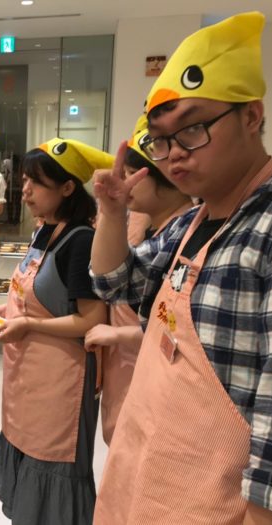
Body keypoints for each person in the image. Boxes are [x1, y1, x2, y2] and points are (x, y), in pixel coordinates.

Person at [91, 12, 272, 522]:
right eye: (161, 139)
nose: (174, 155)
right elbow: (115, 284)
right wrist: (112, 213)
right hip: (148, 484)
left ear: (251, 116)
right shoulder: (195, 219)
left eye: (193, 129)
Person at [0, 138, 110, 524]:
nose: (25, 190)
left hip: (62, 379)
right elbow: (40, 295)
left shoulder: (80, 240)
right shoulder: (45, 230)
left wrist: (29, 324)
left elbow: (91, 319)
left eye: (36, 182)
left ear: (68, 187)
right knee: (26, 445)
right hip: (30, 372)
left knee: (52, 459)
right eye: (24, 180)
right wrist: (6, 309)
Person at [84, 116, 193, 445]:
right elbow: (108, 282)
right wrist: (112, 212)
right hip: (129, 365)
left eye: (133, 174)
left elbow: (180, 333)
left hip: (151, 379)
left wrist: (118, 333)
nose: (125, 183)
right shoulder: (163, 231)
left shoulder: (185, 231)